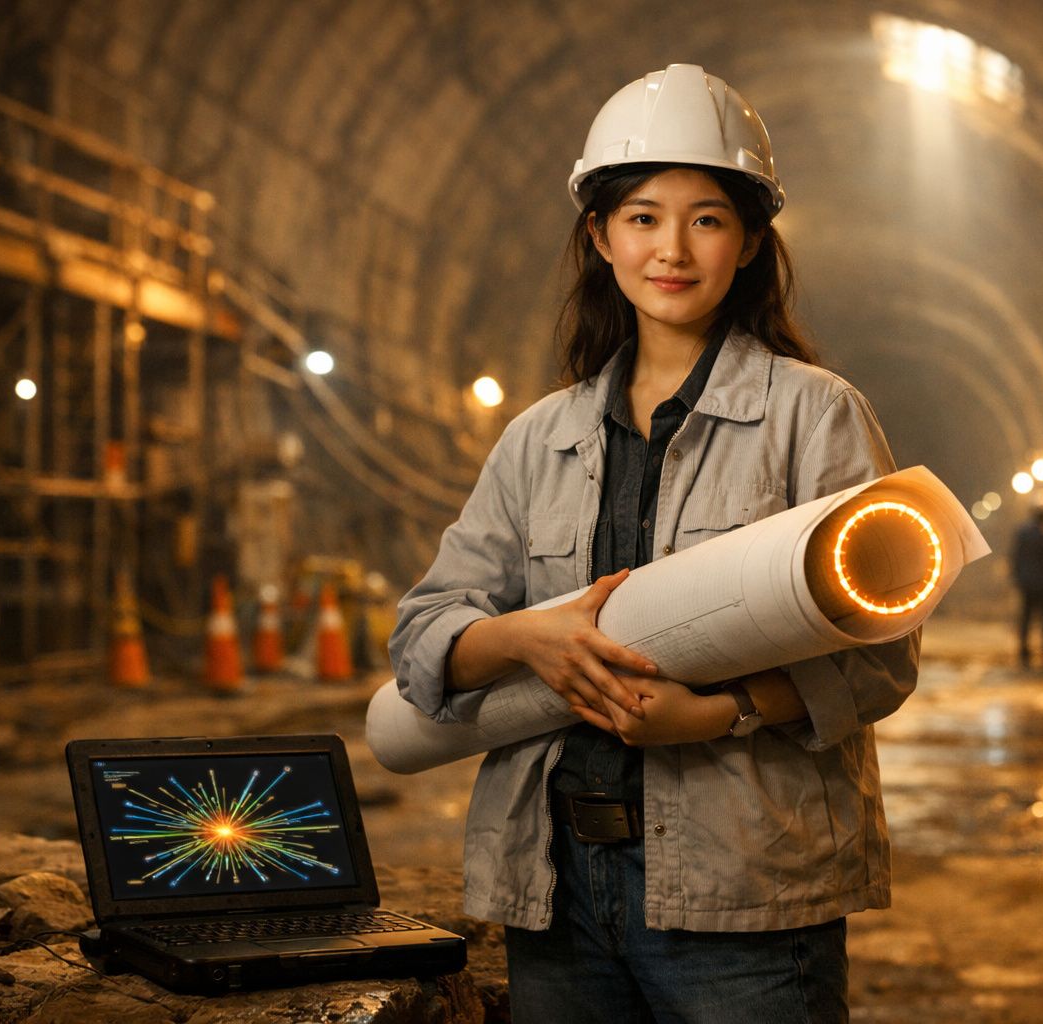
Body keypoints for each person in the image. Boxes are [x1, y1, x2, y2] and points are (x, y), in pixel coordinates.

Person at [388, 64, 919, 1023]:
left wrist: (721, 715)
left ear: (749, 241)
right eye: (643, 217)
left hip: (745, 895)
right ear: (600, 236)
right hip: (556, 890)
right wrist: (525, 638)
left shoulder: (814, 416)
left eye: (706, 219)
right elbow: (424, 635)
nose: (672, 249)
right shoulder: (539, 438)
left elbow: (882, 659)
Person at [1010, 501, 1043, 667]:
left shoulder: (1022, 533)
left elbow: (1015, 557)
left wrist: (1018, 578)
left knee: (1027, 618)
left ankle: (1024, 652)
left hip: (1027, 583)